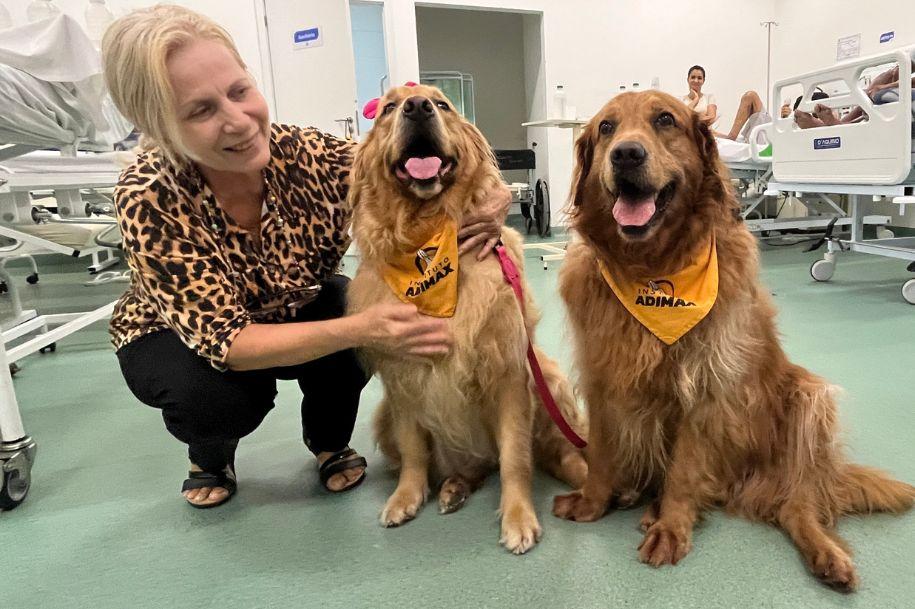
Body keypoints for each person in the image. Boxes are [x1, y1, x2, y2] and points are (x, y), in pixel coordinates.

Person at [102, 6, 510, 508]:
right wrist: (362, 328)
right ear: (159, 126)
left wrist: (496, 202)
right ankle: (209, 454)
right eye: (201, 111)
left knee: (348, 304)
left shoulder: (308, 154)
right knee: (216, 398)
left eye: (239, 91)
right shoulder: (149, 194)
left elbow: (433, 165)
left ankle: (329, 442)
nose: (238, 122)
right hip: (186, 335)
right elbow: (225, 339)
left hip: (296, 302)